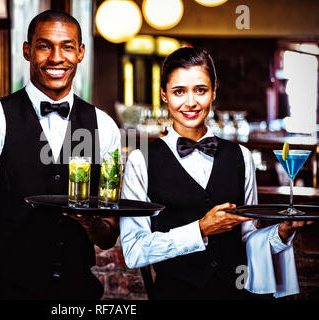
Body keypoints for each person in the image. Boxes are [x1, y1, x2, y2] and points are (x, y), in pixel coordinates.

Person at [0, 10, 121, 300]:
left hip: (78, 292)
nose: (57, 58)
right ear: (27, 50)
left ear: (80, 53)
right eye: (44, 46)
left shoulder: (104, 127)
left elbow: (107, 238)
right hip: (12, 290)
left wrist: (89, 221)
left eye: (67, 46)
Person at [120, 47, 312, 300]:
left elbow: (248, 238)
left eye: (200, 90)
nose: (191, 102)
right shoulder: (140, 161)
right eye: (179, 91)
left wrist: (281, 233)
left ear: (213, 91)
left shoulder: (241, 156)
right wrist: (200, 229)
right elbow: (134, 251)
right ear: (164, 95)